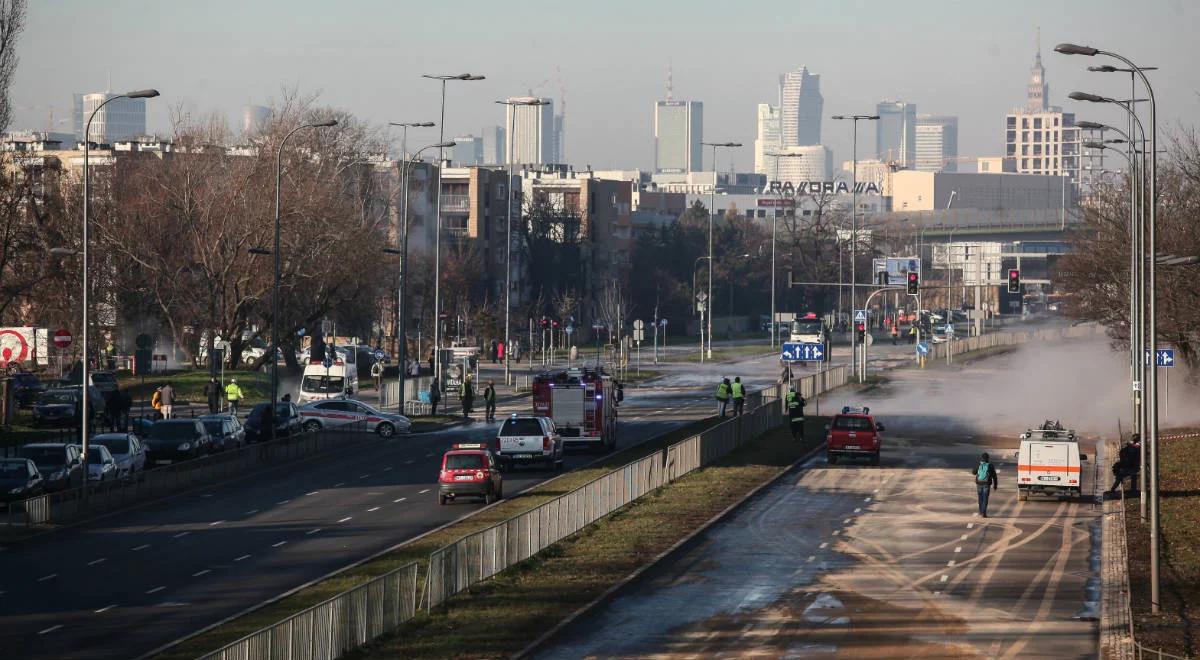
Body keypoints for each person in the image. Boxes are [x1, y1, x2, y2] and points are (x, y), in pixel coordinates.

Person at [972, 452, 999, 518]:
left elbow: (973, 472)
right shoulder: (990, 465)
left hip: (979, 483)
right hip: (986, 484)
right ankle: (984, 512)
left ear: (982, 458)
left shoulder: (979, 464)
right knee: (985, 498)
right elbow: (994, 476)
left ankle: (981, 511)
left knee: (980, 498)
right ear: (988, 458)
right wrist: (995, 485)